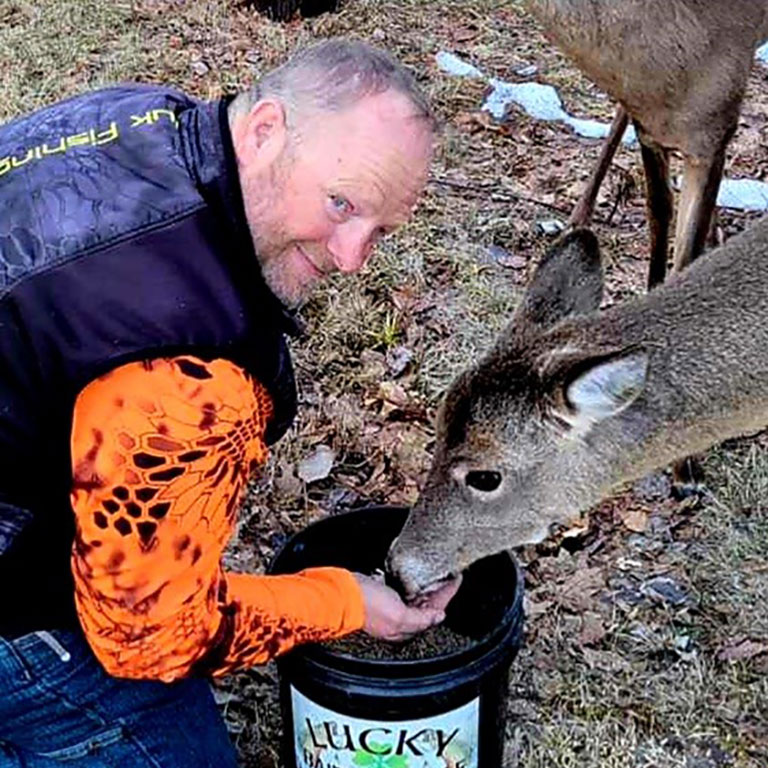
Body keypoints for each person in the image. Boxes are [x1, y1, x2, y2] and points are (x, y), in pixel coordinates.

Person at [0, 38, 457, 767]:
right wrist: (345, 601)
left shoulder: (139, 117)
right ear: (265, 128)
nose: (350, 259)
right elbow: (150, 638)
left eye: (379, 229)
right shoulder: (186, 381)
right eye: (340, 204)